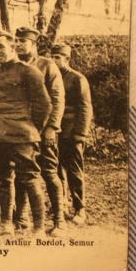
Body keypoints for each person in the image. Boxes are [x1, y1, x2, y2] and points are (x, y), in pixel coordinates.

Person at [0, 31, 51, 237]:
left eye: (1, 47)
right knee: (4, 178)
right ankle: (6, 224)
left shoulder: (28, 72)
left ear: (13, 47)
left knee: (29, 178)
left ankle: (38, 227)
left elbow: (44, 104)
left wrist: (32, 129)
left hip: (22, 133)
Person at [14, 27, 67, 236]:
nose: (18, 45)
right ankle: (22, 218)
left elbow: (57, 98)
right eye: (16, 41)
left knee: (49, 172)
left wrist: (52, 128)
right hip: (21, 130)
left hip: (43, 129)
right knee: (22, 173)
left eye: (22, 41)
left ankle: (59, 220)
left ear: (33, 44)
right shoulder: (15, 66)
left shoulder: (47, 65)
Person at [51, 43, 93, 225]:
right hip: (54, 131)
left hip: (72, 131)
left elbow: (85, 107)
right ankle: (62, 205)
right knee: (56, 169)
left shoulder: (77, 78)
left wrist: (81, 133)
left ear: (67, 59)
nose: (54, 60)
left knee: (75, 170)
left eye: (57, 57)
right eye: (52, 56)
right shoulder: (51, 78)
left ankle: (80, 208)